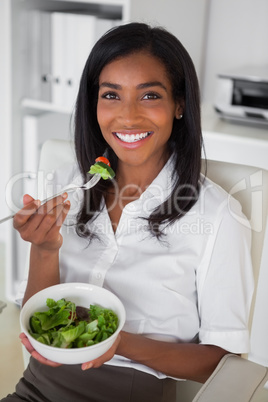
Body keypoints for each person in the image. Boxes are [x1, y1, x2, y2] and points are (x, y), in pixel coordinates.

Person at [2, 22, 254, 402]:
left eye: (150, 95)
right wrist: (44, 248)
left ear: (179, 104)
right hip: (36, 390)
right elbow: (40, 318)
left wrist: (119, 344)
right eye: (111, 95)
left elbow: (219, 360)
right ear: (94, 103)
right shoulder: (66, 183)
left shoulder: (218, 215)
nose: (128, 117)